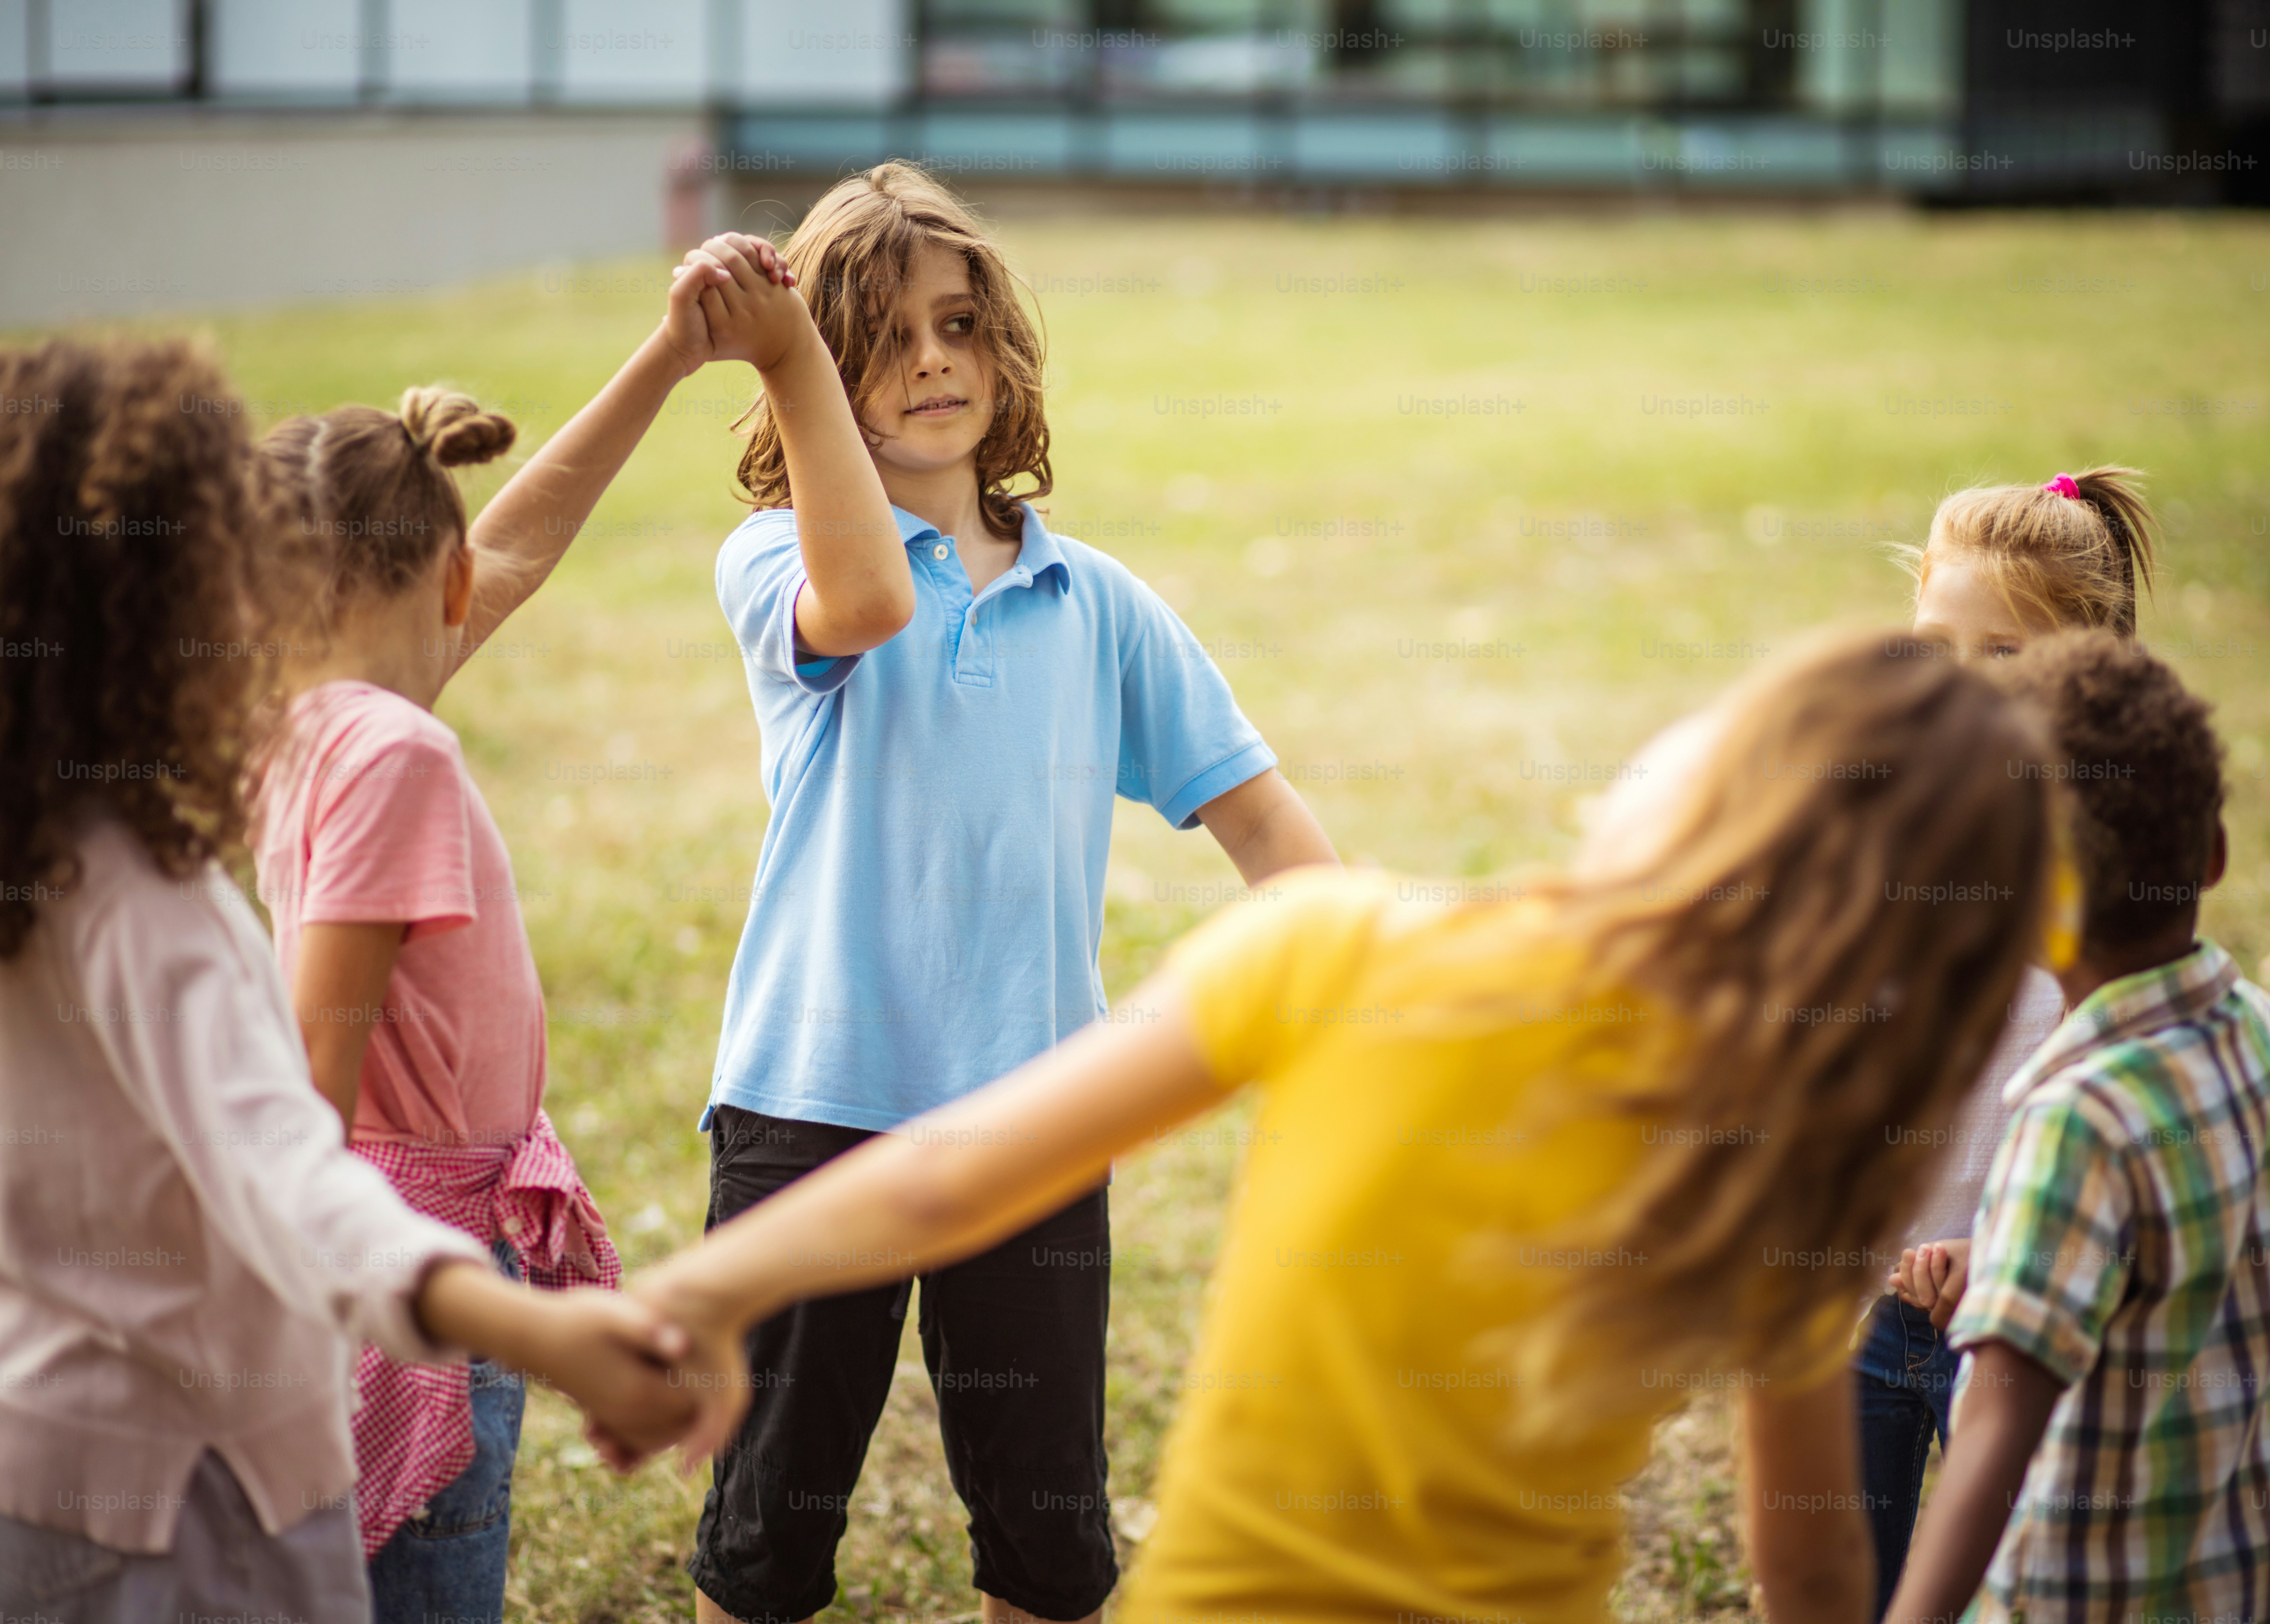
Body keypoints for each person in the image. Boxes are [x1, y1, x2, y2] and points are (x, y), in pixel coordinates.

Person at [635, 630, 2066, 1624]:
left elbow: (948, 1174)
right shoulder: (1793, 1172)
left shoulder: (1337, 955)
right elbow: (1811, 1570)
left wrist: (704, 1287)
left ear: (1692, 800)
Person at [679, 165, 1336, 1624]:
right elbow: (865, 606)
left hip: (1038, 1126)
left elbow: (1270, 831)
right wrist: (782, 357)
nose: (930, 360)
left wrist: (1367, 1010)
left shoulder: (1094, 600)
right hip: (810, 1114)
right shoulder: (775, 559)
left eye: (962, 325)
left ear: (1007, 352)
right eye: (882, 335)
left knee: (1048, 1545)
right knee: (766, 1538)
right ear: (812, 375)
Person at [0, 335, 698, 1624]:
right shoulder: (354, 764)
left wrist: (665, 362)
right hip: (293, 1369)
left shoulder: (187, 776)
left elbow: (507, 557)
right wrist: (523, 1324)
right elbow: (296, 1128)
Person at [246, 234, 796, 1623]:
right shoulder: (394, 754)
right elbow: (322, 1049)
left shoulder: (302, 723)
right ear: (443, 585)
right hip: (411, 1262)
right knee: (431, 1575)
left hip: (389, 1239)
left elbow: (522, 544)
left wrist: (672, 355)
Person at [1886, 631, 2270, 1624]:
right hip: (2239, 1589)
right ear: (2213, 851)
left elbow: (1993, 1432)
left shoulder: (2075, 1120)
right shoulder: (2263, 1034)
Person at [1856, 465, 2159, 1617]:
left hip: (2019, 1310)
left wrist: (2001, 1249)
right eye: (1934, 647)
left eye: (2005, 657)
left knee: (2015, 1586)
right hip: (1861, 1299)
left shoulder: (2110, 873)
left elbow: (2115, 1102)